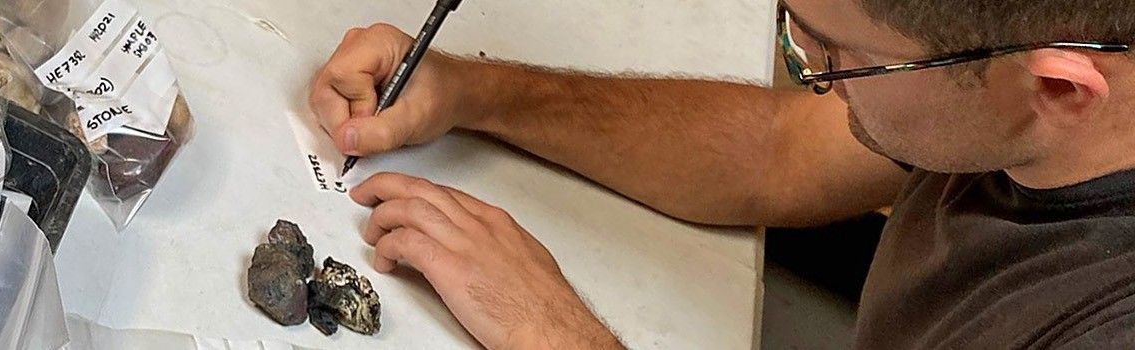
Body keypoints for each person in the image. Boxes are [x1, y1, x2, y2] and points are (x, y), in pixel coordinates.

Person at [309, 0, 1135, 348]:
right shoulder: (1025, 98)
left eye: (837, 56)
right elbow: (776, 154)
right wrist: (475, 92)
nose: (810, 70)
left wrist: (550, 329)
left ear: (1060, 87)